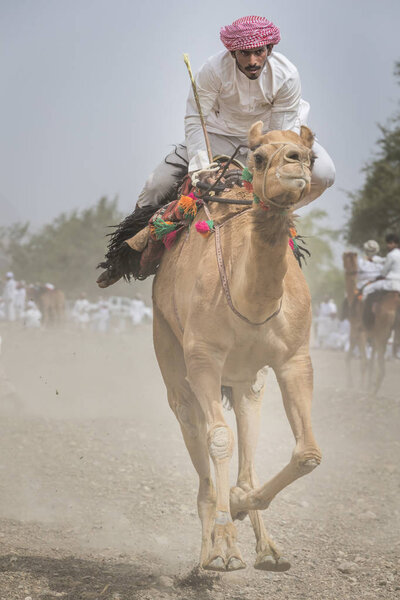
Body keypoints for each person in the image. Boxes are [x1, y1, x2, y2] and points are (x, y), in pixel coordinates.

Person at [98, 15, 335, 286]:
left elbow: (278, 134)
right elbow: (195, 119)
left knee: (326, 173)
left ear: (269, 49)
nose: (253, 61)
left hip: (268, 140)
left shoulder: (287, 74)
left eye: (259, 52)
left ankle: (275, 210)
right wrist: (200, 170)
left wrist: (259, 176)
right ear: (232, 51)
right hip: (217, 136)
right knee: (155, 185)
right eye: (245, 53)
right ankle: (128, 251)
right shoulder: (212, 70)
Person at [362, 234, 400, 298]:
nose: (388, 245)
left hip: (391, 284)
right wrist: (372, 259)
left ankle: (365, 308)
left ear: (396, 244)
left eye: (391, 243)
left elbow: (384, 273)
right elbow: (384, 260)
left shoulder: (391, 255)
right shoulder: (395, 255)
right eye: (388, 243)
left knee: (366, 289)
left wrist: (377, 278)